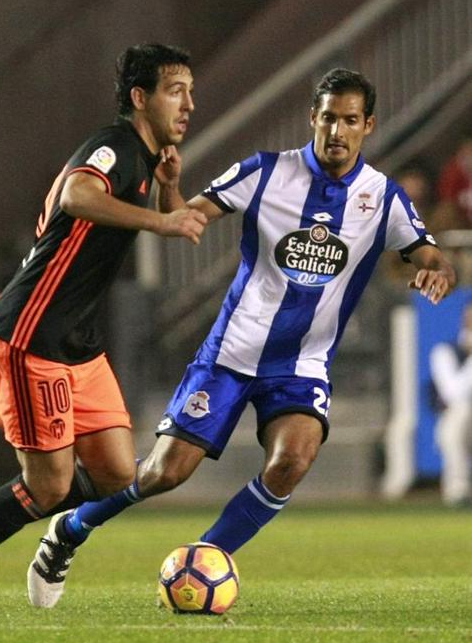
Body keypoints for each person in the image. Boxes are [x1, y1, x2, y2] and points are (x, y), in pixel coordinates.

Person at [25, 68, 457, 609]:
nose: (337, 131)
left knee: (291, 461)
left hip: (300, 365)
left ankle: (204, 560)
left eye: (350, 120)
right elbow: (186, 220)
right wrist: (171, 190)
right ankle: (69, 531)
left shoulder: (382, 198)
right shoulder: (264, 172)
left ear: (367, 125)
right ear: (313, 118)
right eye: (328, 118)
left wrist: (437, 271)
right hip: (231, 354)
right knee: (163, 473)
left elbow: (430, 253)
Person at [0, 43, 206, 618]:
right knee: (47, 486)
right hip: (33, 334)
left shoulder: (146, 158)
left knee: (118, 474)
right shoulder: (114, 145)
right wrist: (159, 221)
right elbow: (77, 194)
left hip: (77, 342)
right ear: (140, 98)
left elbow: (168, 215)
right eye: (176, 91)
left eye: (190, 91)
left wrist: (170, 187)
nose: (189, 104)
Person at [430, 302, 472, 507]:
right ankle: (458, 491)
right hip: (461, 415)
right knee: (459, 416)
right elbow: (454, 393)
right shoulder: (445, 351)